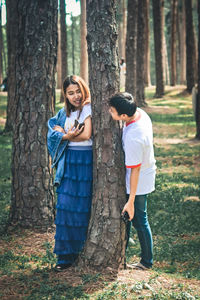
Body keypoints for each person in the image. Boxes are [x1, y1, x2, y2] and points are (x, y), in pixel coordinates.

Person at [47, 75, 93, 271]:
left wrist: (65, 136)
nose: (76, 96)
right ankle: (64, 256)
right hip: (68, 163)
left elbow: (86, 134)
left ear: (84, 89)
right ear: (65, 95)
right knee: (65, 207)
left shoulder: (88, 108)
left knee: (82, 208)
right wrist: (65, 136)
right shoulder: (63, 113)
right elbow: (53, 131)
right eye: (70, 93)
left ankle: (80, 252)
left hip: (85, 162)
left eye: (78, 91)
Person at [109, 92, 156, 270]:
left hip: (139, 180)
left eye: (112, 111)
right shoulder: (138, 112)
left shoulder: (134, 137)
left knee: (139, 220)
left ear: (123, 116)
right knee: (133, 219)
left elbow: (135, 170)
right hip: (141, 173)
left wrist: (131, 201)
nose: (109, 112)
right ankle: (125, 255)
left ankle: (146, 262)